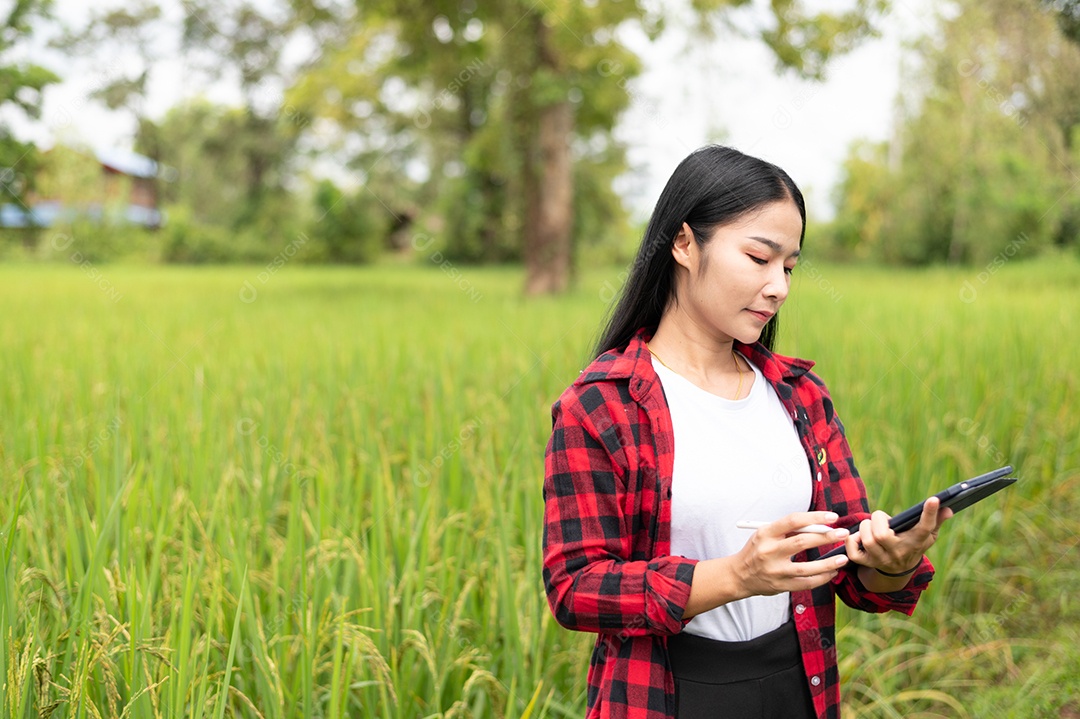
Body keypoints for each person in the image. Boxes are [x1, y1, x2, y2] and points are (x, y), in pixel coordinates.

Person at [541, 145, 952, 719]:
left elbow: (852, 573)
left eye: (788, 267)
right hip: (667, 694)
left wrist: (893, 560)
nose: (779, 286)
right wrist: (735, 576)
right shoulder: (602, 405)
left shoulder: (801, 397)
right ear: (684, 244)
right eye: (759, 258)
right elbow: (575, 587)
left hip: (798, 687)